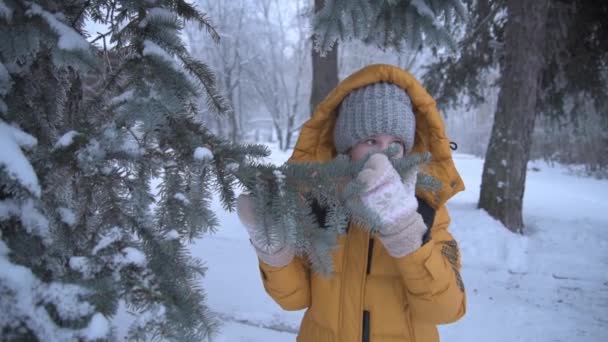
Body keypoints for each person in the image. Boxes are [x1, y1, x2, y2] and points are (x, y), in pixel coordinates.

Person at [236, 64, 466, 342]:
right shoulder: (316, 200)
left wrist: (406, 231)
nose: (384, 154)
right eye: (370, 140)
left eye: (396, 143)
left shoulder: (427, 208)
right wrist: (274, 250)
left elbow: (446, 309)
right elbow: (294, 299)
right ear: (346, 146)